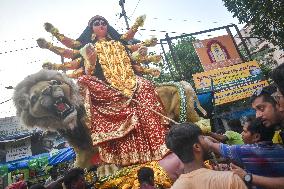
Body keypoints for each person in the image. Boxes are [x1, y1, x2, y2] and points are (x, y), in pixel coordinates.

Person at [37, 15, 170, 166]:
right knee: (84, 82)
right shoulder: (86, 47)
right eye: (97, 23)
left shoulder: (121, 43)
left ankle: (159, 141)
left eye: (104, 23)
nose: (101, 25)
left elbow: (135, 54)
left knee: (146, 86)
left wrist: (143, 47)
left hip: (132, 83)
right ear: (91, 29)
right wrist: (53, 38)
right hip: (104, 85)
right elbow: (69, 52)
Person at [205, 118, 284, 188]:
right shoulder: (280, 149)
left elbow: (211, 145)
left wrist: (204, 132)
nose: (242, 134)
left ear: (256, 137)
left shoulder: (246, 150)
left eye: (245, 131)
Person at [166, 123, 247, 189]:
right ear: (197, 147)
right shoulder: (230, 180)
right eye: (203, 138)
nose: (207, 140)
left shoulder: (176, 187)